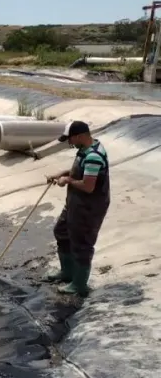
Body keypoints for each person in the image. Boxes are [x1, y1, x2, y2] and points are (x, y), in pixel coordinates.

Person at [43, 121, 110, 297]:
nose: (69, 143)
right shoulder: (84, 149)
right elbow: (80, 171)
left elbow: (88, 186)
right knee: (61, 231)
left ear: (80, 136)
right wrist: (61, 174)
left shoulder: (94, 156)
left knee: (82, 244)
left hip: (89, 207)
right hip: (76, 203)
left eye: (70, 139)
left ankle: (79, 284)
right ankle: (67, 272)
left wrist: (68, 181)